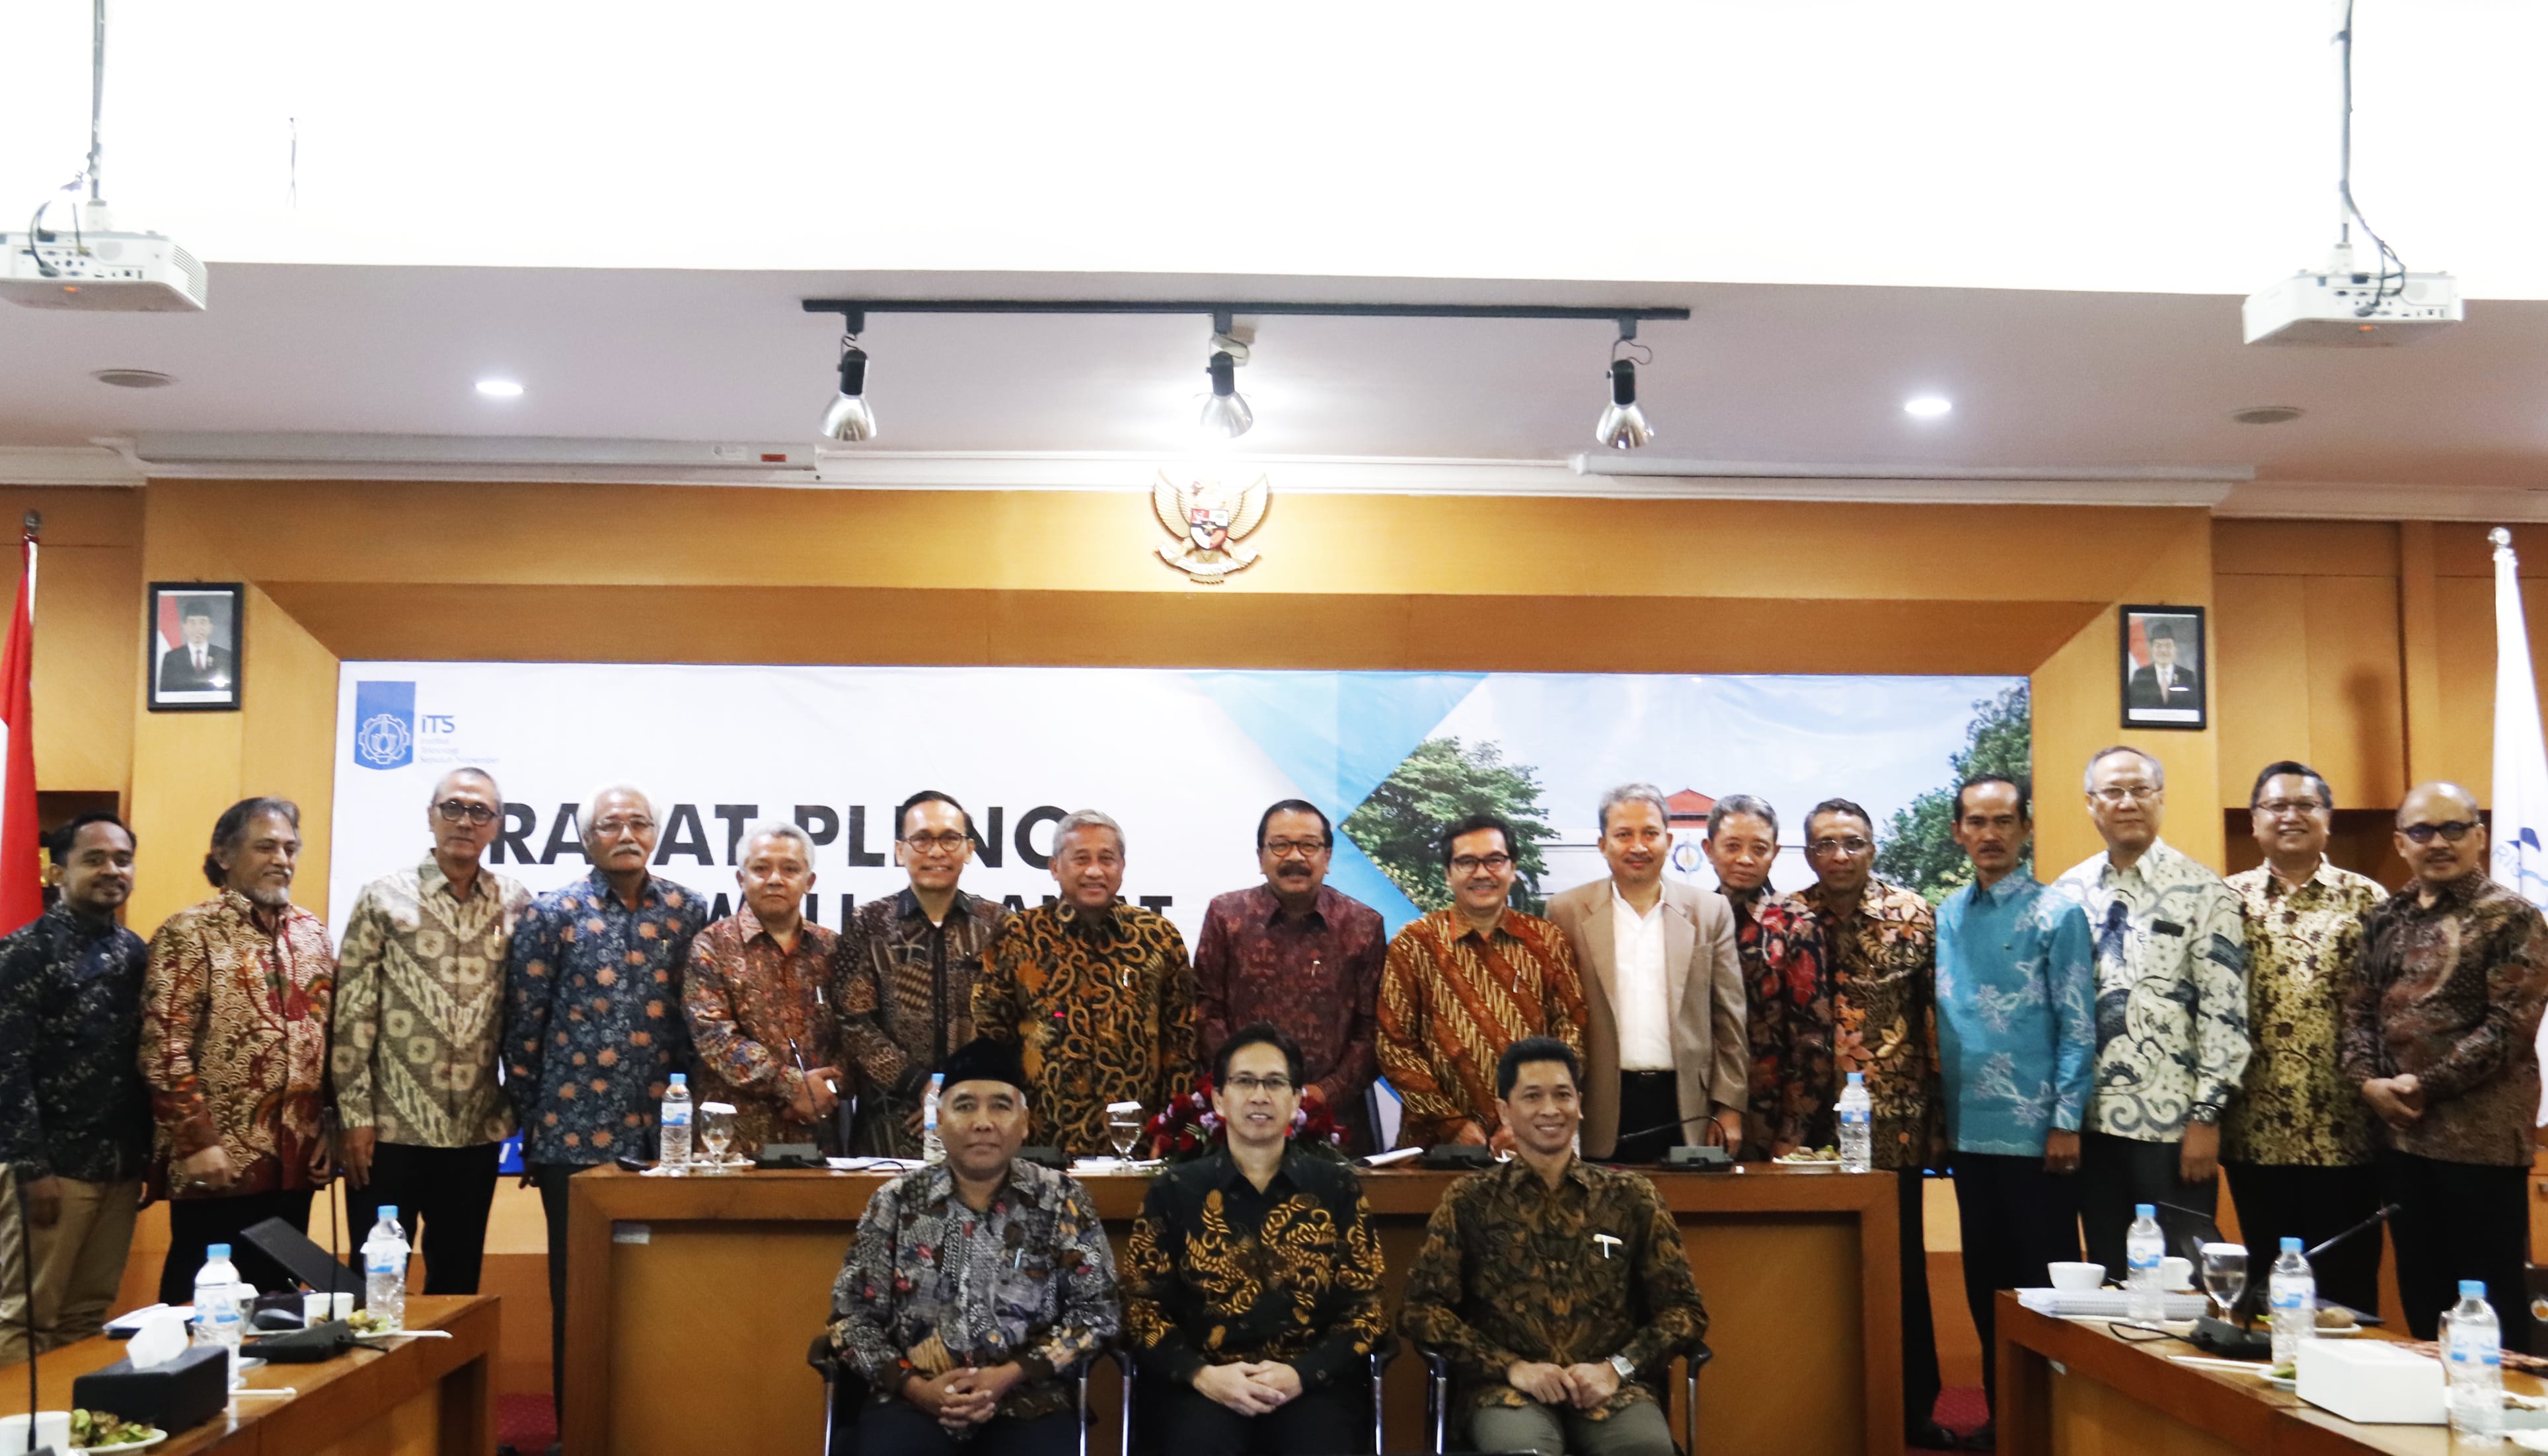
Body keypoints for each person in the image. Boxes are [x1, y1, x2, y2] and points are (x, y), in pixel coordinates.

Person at [1399, 1037, 1706, 1456]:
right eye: (1532, 1096)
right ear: (1505, 1110)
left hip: (1611, 1389)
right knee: (1526, 1450)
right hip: (1508, 1391)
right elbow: (1420, 1310)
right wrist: (1512, 1368)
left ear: (1580, 1104)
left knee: (1645, 1449)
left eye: (1562, 1095)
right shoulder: (1470, 1200)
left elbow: (1685, 1311)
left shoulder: (1631, 1197)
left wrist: (1616, 1369)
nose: (1550, 1109)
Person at [505, 783, 704, 1422]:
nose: (626, 835)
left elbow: (695, 1028)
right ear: (587, 838)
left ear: (656, 835)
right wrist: (534, 1128)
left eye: (639, 824)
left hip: (666, 1139)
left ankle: (651, 1428)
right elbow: (523, 1031)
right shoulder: (552, 913)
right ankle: (579, 1430)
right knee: (579, 1291)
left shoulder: (688, 910)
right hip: (573, 1137)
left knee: (663, 1289)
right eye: (611, 825)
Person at [829, 1036, 1120, 1456]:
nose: (983, 1122)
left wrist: (1006, 1376)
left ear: (1024, 1122)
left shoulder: (1061, 1200)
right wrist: (918, 1389)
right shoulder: (896, 1201)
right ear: (938, 1119)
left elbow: (1098, 1314)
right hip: (911, 1401)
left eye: (1000, 1106)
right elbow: (850, 1318)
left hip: (1029, 1400)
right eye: (965, 1106)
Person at [2341, 781, 2548, 1348]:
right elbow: (2358, 1012)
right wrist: (2368, 1083)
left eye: (2453, 828)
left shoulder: (2512, 917)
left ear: (2479, 836)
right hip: (2401, 1141)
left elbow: (2509, 1029)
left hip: (2480, 1145)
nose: (2438, 842)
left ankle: (2498, 1404)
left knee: (2490, 1305)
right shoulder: (2385, 917)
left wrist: (2423, 1086)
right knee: (2423, 1296)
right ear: (2401, 842)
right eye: (2422, 831)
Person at [1123, 1023, 1386, 1455]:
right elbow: (1141, 1308)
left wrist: (1301, 1374)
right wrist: (1202, 1375)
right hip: (1204, 1386)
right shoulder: (1175, 1191)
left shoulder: (1335, 1188)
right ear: (1219, 1099)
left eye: (1275, 1083)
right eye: (1245, 1081)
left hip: (1309, 1386)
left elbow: (1367, 1310)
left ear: (1296, 1100)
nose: (1260, 1096)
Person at [2051, 746, 2249, 1284]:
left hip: (2173, 1130)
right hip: (2091, 1128)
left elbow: (2225, 1012)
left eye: (2140, 790)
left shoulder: (2204, 891)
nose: (2128, 802)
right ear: (2091, 804)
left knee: (2183, 1279)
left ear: (2160, 798)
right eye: (2113, 792)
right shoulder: (2067, 894)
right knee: (2111, 1276)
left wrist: (2207, 1117)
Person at [1933, 776, 2093, 1438]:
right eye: (1976, 821)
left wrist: (2066, 1121)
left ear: (2025, 828)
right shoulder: (1946, 913)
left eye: (2003, 821)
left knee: (2043, 1287)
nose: (1990, 834)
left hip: (2038, 1138)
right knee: (1985, 1283)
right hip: (1968, 1134)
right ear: (1958, 832)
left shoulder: (2058, 913)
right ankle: (2005, 1419)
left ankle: (2054, 1425)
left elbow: (2079, 1025)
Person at [331, 768, 529, 1297]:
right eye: (453, 808)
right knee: (375, 1284)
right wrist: (354, 1117)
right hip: (389, 1131)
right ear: (431, 816)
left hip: (474, 1130)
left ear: (497, 825)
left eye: (480, 812)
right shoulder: (382, 898)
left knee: (458, 1284)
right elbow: (352, 1014)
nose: (466, 821)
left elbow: (524, 1013)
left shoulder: (515, 902)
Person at [1795, 797, 1951, 1450]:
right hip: (1807, 1130)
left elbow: (1934, 1019)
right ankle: (1817, 1405)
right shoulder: (1788, 916)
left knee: (1901, 1267)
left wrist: (1940, 1120)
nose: (1839, 855)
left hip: (1895, 1123)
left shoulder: (1912, 914)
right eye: (1825, 844)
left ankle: (1914, 1407)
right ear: (1808, 854)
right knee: (1813, 1269)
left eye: (1852, 842)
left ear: (1872, 848)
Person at [141, 797, 336, 1304]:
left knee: (278, 1309)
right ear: (224, 855)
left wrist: (328, 1128)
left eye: (290, 848)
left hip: (294, 1166)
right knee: (202, 1309)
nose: (282, 859)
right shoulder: (189, 932)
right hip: (218, 1162)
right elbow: (164, 1045)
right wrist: (196, 1141)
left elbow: (329, 1042)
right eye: (266, 847)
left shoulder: (313, 934)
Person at [2222, 760, 2386, 1317]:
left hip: (2345, 1131)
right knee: (2267, 1296)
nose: (2290, 815)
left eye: (2305, 805)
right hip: (2254, 1131)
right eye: (2276, 806)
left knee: (2346, 1295)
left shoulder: (2367, 898)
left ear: (2327, 818)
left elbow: (2389, 1007)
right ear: (2255, 821)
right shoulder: (2226, 899)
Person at [0, 813, 149, 1362]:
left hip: (119, 1167)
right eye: (95, 859)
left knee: (88, 1315)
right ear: (58, 871)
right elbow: (7, 1067)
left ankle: (72, 1417)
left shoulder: (136, 952)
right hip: (52, 1170)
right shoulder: (23, 952)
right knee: (27, 1315)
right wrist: (31, 1170)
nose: (112, 870)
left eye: (123, 860)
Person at [973, 810, 1197, 1157]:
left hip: (1137, 1143)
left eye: (1106, 859)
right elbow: (991, 1039)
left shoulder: (1158, 938)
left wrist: (1173, 1129)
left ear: (1122, 866)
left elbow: (1181, 1044)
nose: (1094, 871)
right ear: (1054, 867)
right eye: (1081, 859)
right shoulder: (1019, 936)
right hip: (1041, 1144)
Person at [1546, 783, 1745, 1162]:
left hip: (1689, 1104)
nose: (1638, 846)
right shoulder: (1566, 911)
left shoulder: (1710, 911)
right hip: (1600, 1101)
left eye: (1650, 833)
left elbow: (1729, 1021)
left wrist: (1730, 1106)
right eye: (1624, 835)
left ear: (1668, 841)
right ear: (1603, 844)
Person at [1377, 813, 1587, 1149]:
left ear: (1512, 868)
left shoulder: (1547, 940)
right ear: (1448, 874)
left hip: (1533, 1140)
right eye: (1467, 862)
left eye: (1494, 860)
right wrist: (1451, 1124)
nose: (1482, 873)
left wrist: (1528, 1118)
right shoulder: (1414, 943)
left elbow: (1571, 1033)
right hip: (1436, 1144)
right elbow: (1394, 1047)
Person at [1191, 801, 1387, 1153]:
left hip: (1335, 1121)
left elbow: (1372, 1029)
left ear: (1327, 857)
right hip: (1241, 1117)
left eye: (1309, 845)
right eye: (1280, 845)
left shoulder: (1363, 926)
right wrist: (1246, 1085)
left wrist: (1323, 1092)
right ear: (1261, 857)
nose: (1295, 857)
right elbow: (1207, 1013)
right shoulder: (1226, 917)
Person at [838, 790, 1010, 1157]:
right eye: (922, 839)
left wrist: (957, 1092)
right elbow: (854, 1022)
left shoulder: (997, 924)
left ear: (969, 849)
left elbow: (1009, 1020)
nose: (936, 851)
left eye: (950, 839)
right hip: (891, 1122)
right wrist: (920, 1086)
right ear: (900, 851)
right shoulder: (868, 923)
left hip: (978, 1119)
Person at [686, 821, 844, 1157]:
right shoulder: (711, 946)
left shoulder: (833, 949)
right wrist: (793, 1087)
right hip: (732, 1142)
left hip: (818, 1139)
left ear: (809, 882)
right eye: (761, 869)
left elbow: (855, 1032)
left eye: (790, 869)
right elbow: (715, 1038)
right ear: (741, 879)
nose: (775, 879)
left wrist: (826, 1090)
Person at [1700, 795, 1834, 1159]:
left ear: (1774, 852)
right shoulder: (1693, 919)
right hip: (1697, 1109)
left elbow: (1812, 1041)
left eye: (1758, 848)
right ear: (1709, 849)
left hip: (1772, 1116)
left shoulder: (1796, 924)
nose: (1745, 859)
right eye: (1732, 846)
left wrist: (1791, 1137)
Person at [156, 603, 235, 693]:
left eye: (203, 622)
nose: (197, 628)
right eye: (192, 622)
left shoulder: (225, 656)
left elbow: (229, 691)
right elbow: (166, 692)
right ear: (184, 627)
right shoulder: (171, 658)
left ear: (210, 627)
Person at [2126, 622, 2200, 713]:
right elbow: (2134, 707)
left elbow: (2193, 708)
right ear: (2151, 649)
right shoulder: (2140, 675)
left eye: (2168, 646)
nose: (2164, 651)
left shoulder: (2187, 676)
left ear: (2175, 649)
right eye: (2158, 646)